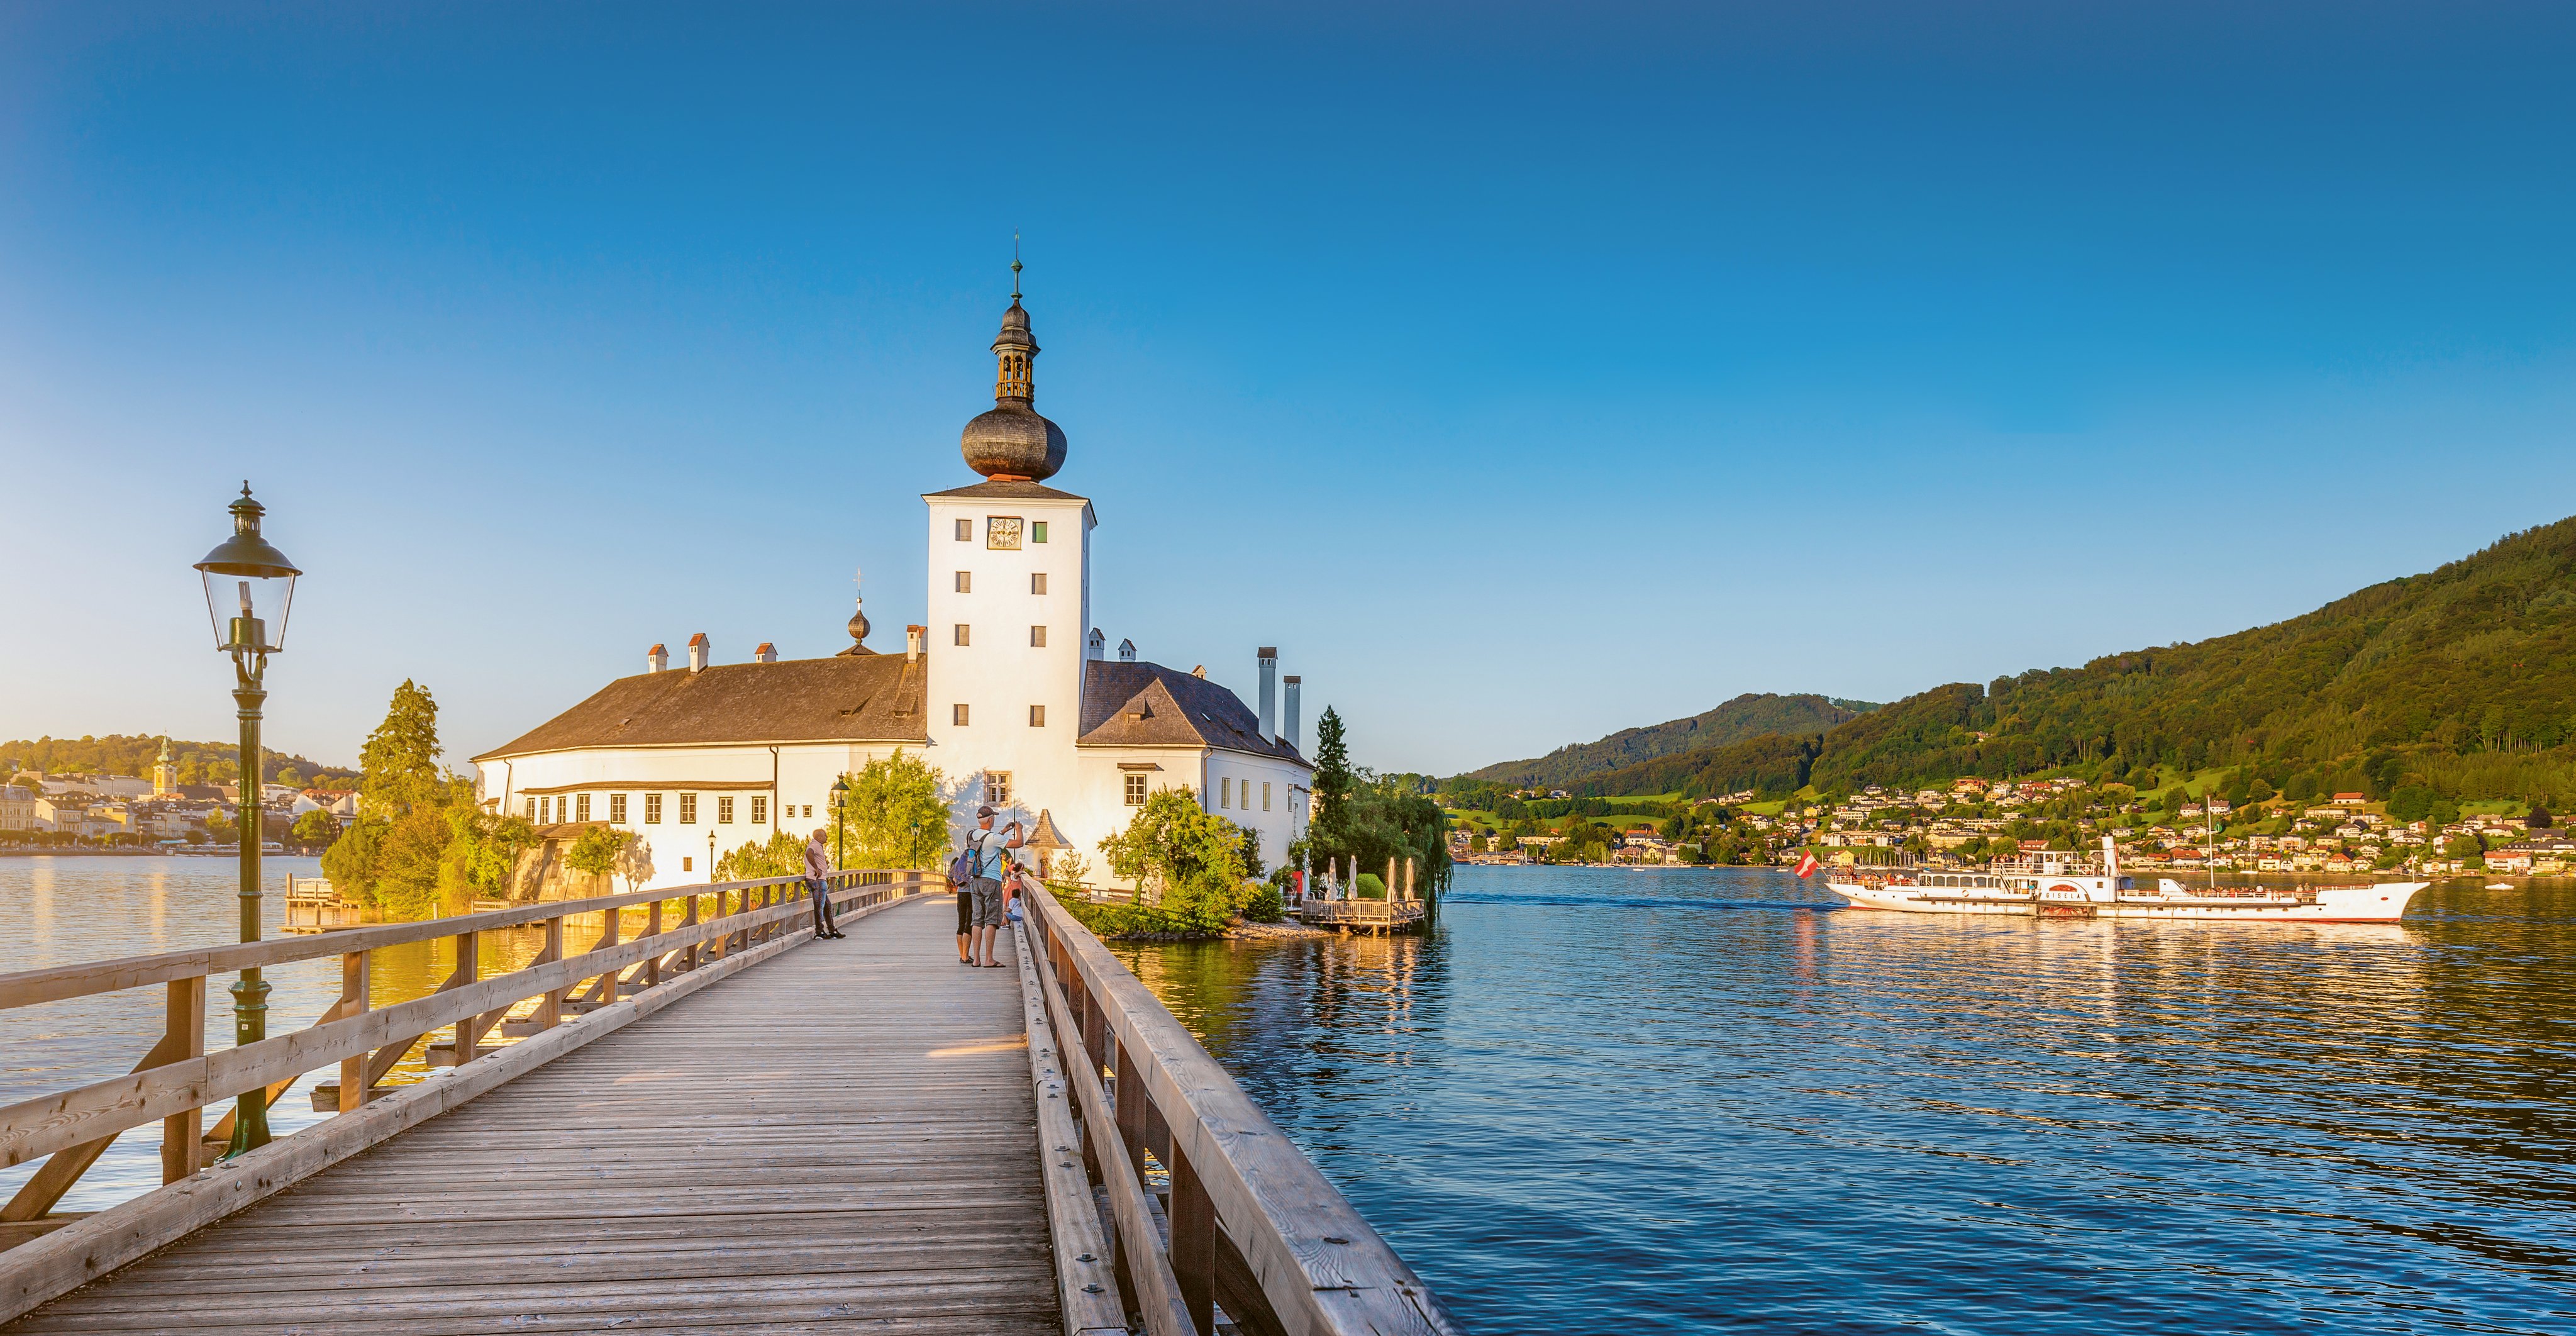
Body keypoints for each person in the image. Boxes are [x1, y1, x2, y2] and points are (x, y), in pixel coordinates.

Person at [967, 804, 1023, 967]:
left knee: (977, 920)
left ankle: (976, 959)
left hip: (975, 880)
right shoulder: (993, 838)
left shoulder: (972, 835)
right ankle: (989, 959)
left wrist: (1004, 831)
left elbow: (988, 841)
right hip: (991, 881)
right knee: (991, 919)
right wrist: (1018, 829)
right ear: (991, 819)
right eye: (994, 818)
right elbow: (1019, 843)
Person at [803, 827, 845, 940]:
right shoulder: (814, 846)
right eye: (825, 835)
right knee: (820, 907)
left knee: (827, 905)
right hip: (817, 880)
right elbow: (808, 853)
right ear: (819, 837)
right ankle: (819, 931)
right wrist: (816, 869)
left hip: (819, 880)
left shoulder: (817, 846)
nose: (827, 837)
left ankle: (832, 930)